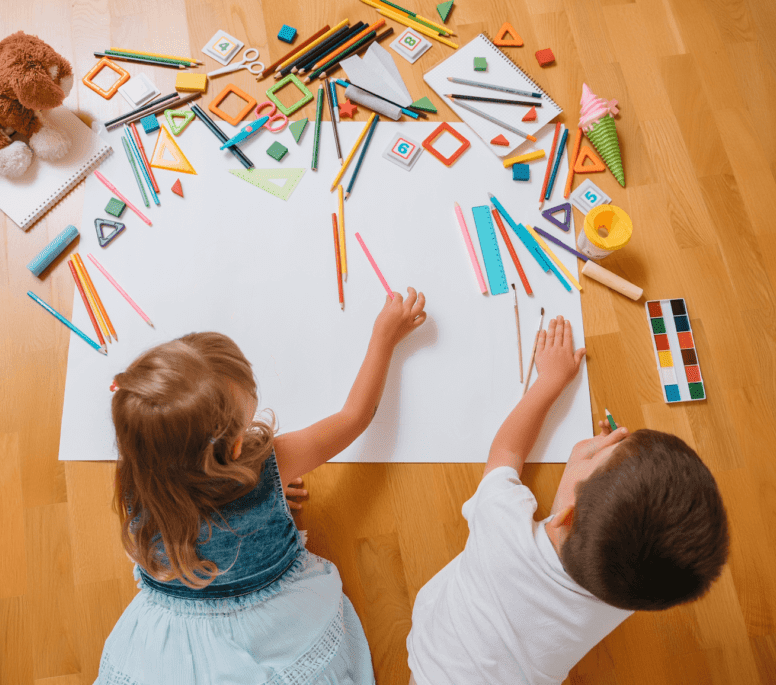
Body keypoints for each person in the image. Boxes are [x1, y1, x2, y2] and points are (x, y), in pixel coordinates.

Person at [96, 288, 427, 685]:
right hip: (274, 628)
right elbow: (355, 417)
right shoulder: (272, 462)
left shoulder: (139, 473)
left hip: (173, 646)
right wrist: (384, 337)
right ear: (234, 447)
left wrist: (264, 502)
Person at [407, 316, 730, 685]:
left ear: (565, 517)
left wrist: (550, 381)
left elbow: (506, 452)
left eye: (599, 458)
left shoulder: (501, 525)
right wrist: (599, 477)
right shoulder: (632, 593)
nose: (604, 447)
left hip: (431, 666)